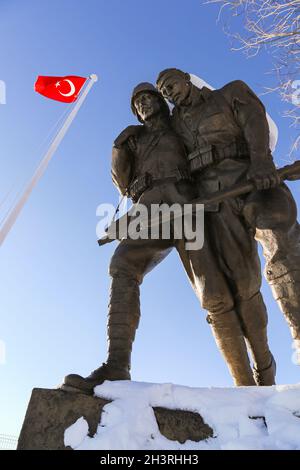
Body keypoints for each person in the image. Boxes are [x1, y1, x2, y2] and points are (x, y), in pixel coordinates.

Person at [61, 82, 274, 394]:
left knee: (215, 294)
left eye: (149, 99)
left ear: (161, 102)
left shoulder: (180, 123)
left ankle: (249, 385)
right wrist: (119, 148)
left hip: (188, 205)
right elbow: (121, 186)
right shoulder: (134, 139)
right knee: (122, 264)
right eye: (138, 103)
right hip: (149, 210)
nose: (144, 105)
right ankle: (117, 364)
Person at [157, 67, 300, 358]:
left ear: (186, 78)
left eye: (170, 84)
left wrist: (262, 161)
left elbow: (254, 121)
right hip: (214, 200)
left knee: (280, 243)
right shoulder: (170, 127)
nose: (168, 93)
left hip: (252, 179)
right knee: (242, 282)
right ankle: (262, 365)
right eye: (163, 92)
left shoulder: (230, 92)